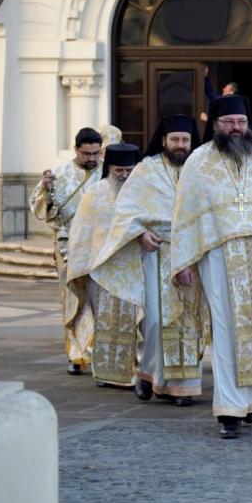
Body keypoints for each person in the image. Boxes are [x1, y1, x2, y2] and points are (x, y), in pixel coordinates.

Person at [171, 95, 252, 439]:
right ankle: (228, 408)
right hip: (219, 254)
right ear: (215, 125)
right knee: (226, 329)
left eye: (241, 121)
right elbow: (185, 213)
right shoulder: (199, 161)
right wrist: (184, 259)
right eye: (229, 122)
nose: (237, 128)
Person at [91, 115, 208, 407]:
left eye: (185, 140)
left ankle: (183, 386)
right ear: (164, 141)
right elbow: (125, 209)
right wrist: (140, 233)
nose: (180, 145)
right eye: (175, 139)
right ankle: (147, 374)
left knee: (188, 323)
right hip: (158, 253)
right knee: (156, 321)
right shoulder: (146, 169)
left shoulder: (202, 169)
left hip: (193, 254)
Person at [65, 143, 142, 387]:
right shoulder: (95, 193)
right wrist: (81, 266)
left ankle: (135, 369)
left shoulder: (143, 193)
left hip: (135, 268)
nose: (124, 175)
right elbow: (83, 232)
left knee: (135, 321)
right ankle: (105, 372)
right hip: (102, 269)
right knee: (105, 320)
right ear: (109, 168)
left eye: (129, 170)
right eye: (119, 170)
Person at [29, 128, 104, 375]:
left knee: (100, 301)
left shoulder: (107, 172)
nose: (92, 158)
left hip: (100, 246)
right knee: (73, 300)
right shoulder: (59, 174)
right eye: (87, 153)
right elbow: (43, 212)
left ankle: (99, 353)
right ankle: (76, 354)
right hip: (68, 246)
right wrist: (46, 191)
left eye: (96, 153)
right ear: (76, 150)